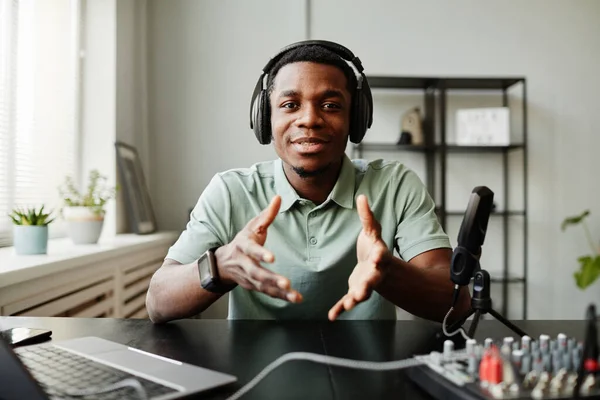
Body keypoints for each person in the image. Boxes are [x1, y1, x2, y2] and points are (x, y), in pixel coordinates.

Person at [146, 40, 470, 324]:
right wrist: (221, 265)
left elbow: (457, 301)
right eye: (290, 105)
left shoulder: (395, 185)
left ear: (355, 119)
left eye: (330, 105)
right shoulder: (231, 191)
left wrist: (389, 272)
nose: (309, 119)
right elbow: (158, 302)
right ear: (265, 120)